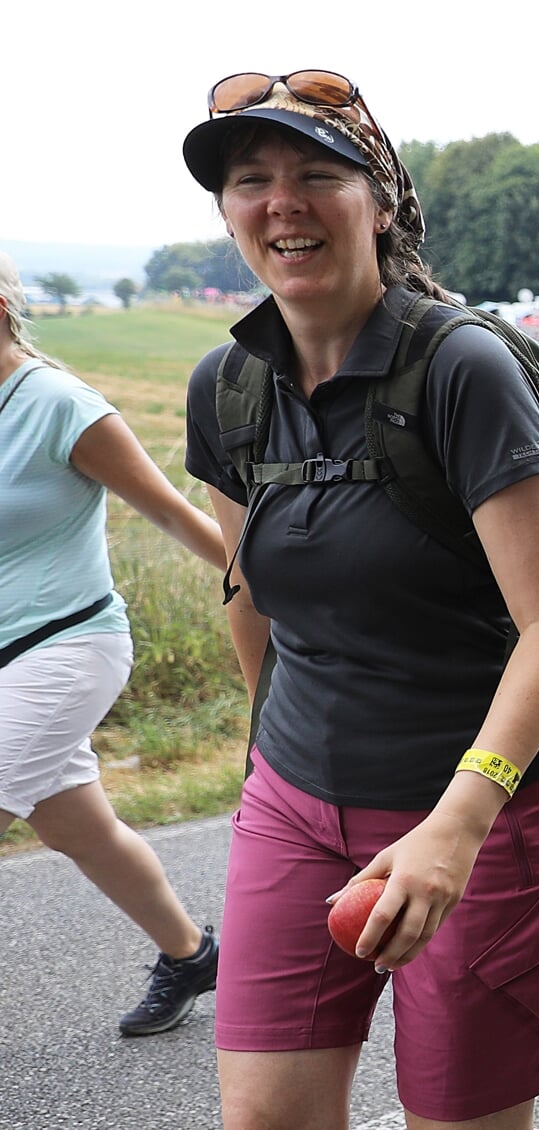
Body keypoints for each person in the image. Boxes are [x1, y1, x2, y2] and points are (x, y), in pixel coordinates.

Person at [179, 72, 539, 1128]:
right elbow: (251, 596)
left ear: (379, 199)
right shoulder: (225, 386)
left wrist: (461, 818)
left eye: (318, 173)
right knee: (264, 1116)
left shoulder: (462, 370)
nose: (283, 202)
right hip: (297, 798)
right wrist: (271, 753)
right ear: (228, 211)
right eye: (252, 180)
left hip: (483, 809)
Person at [0, 250, 229, 1037]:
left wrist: (276, 581)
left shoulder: (62, 405)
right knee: (76, 828)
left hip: (67, 645)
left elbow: (171, 514)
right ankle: (192, 954)